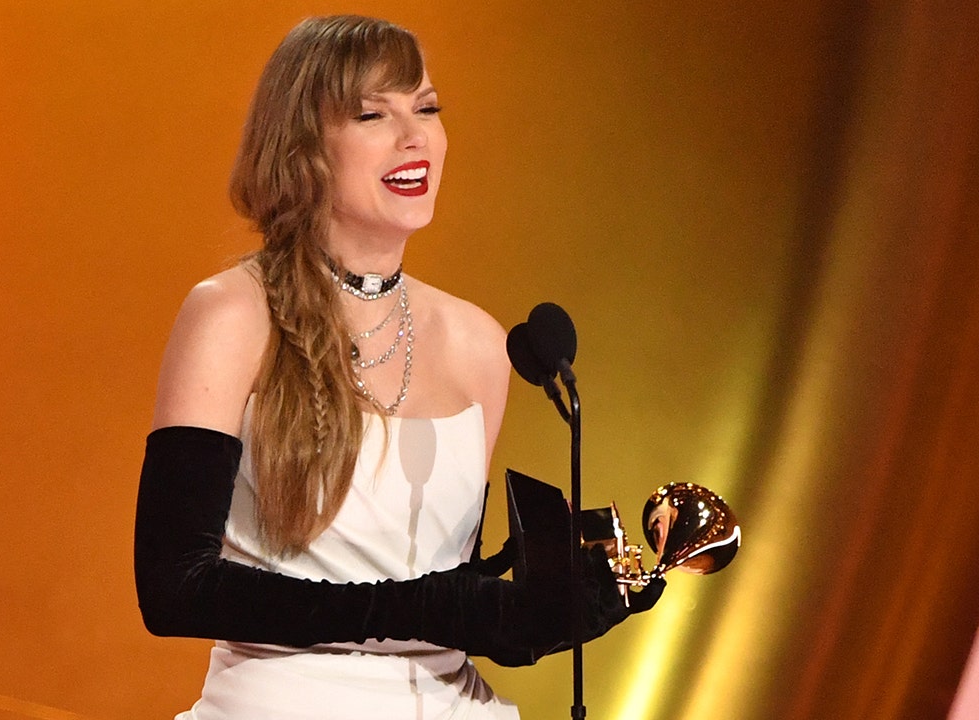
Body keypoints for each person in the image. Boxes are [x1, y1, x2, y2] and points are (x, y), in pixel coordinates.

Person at [133, 15, 663, 720]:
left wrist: (535, 609)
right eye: (372, 113)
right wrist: (426, 607)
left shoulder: (478, 344)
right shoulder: (232, 315)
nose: (415, 135)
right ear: (301, 148)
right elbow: (173, 588)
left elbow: (444, 600)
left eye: (427, 108)